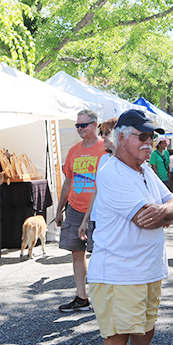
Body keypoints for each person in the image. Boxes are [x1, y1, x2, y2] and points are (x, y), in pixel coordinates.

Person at [87, 109, 173, 345]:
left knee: (144, 337)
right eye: (142, 137)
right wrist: (164, 212)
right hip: (119, 273)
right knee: (116, 340)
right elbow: (147, 216)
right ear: (122, 138)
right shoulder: (114, 172)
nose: (149, 142)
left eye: (151, 137)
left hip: (145, 271)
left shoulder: (143, 170)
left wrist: (166, 211)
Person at [54, 109, 109, 312]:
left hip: (99, 210)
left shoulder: (106, 148)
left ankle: (103, 299)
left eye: (83, 125)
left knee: (100, 254)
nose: (79, 129)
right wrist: (60, 209)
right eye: (77, 125)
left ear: (95, 125)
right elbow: (68, 181)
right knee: (77, 253)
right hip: (76, 209)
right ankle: (81, 297)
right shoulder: (73, 151)